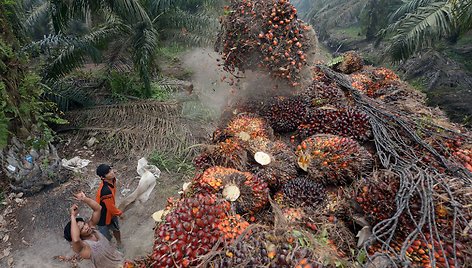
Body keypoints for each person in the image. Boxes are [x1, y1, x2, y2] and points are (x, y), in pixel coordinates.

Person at [63, 191, 123, 268]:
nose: (86, 227)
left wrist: (84, 199)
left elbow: (98, 209)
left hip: (122, 261)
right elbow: (75, 239)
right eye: (82, 229)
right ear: (79, 234)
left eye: (84, 224)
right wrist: (72, 216)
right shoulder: (83, 247)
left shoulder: (92, 228)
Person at [95, 164, 124, 249]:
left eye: (110, 170)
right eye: (108, 172)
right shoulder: (105, 191)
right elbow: (110, 207)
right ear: (103, 177)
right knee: (105, 237)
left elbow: (111, 207)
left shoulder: (112, 180)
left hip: (110, 212)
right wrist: (120, 213)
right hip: (102, 216)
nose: (111, 172)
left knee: (116, 229)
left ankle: (119, 244)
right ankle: (110, 249)